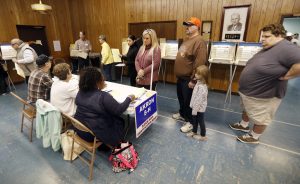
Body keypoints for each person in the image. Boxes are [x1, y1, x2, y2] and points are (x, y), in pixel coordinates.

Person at [229, 24, 300, 144]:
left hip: (265, 94)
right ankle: (243, 125)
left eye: (267, 36)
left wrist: (287, 76)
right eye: (262, 36)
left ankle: (254, 137)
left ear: (279, 36)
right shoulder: (270, 47)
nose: (262, 39)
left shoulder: (286, 47)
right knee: (247, 109)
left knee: (261, 118)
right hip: (251, 92)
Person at [74, 67, 135, 146]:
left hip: (80, 130)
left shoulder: (80, 92)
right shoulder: (103, 96)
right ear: (97, 82)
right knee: (120, 120)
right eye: (102, 79)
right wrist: (129, 98)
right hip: (93, 135)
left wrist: (100, 87)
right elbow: (119, 110)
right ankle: (112, 142)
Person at [172, 17, 208, 133]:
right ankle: (183, 114)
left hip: (189, 78)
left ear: (196, 27)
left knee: (190, 102)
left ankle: (191, 122)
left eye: (189, 25)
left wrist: (193, 80)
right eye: (186, 25)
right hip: (181, 78)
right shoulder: (187, 40)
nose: (187, 27)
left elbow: (199, 63)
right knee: (182, 99)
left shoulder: (199, 41)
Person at [185, 65, 209, 141]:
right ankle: (194, 132)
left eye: (198, 74)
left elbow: (199, 100)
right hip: (195, 107)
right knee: (194, 120)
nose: (195, 75)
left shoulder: (202, 87)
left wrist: (194, 110)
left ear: (203, 76)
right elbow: (195, 95)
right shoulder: (198, 83)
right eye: (196, 73)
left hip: (199, 109)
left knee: (200, 121)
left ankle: (203, 136)